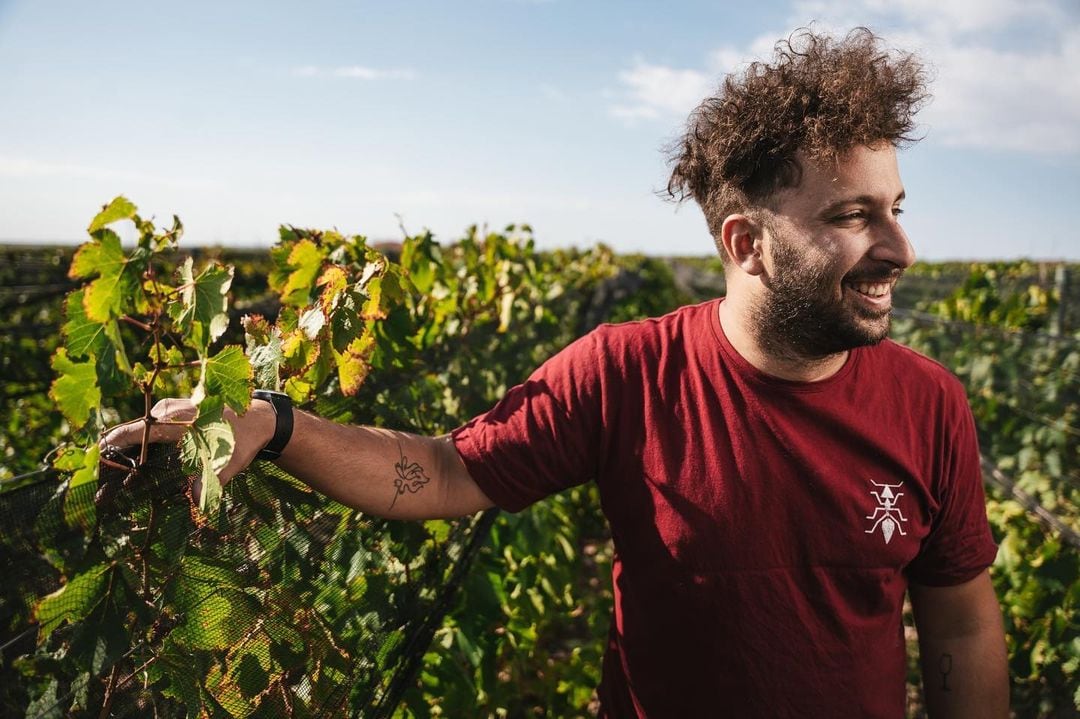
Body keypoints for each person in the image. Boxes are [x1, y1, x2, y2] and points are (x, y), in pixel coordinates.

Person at [104, 27, 1009, 718]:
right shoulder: (627, 372)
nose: (901, 247)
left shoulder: (929, 403)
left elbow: (961, 620)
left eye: (896, 208)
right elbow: (450, 470)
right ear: (748, 245)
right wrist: (275, 422)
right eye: (855, 216)